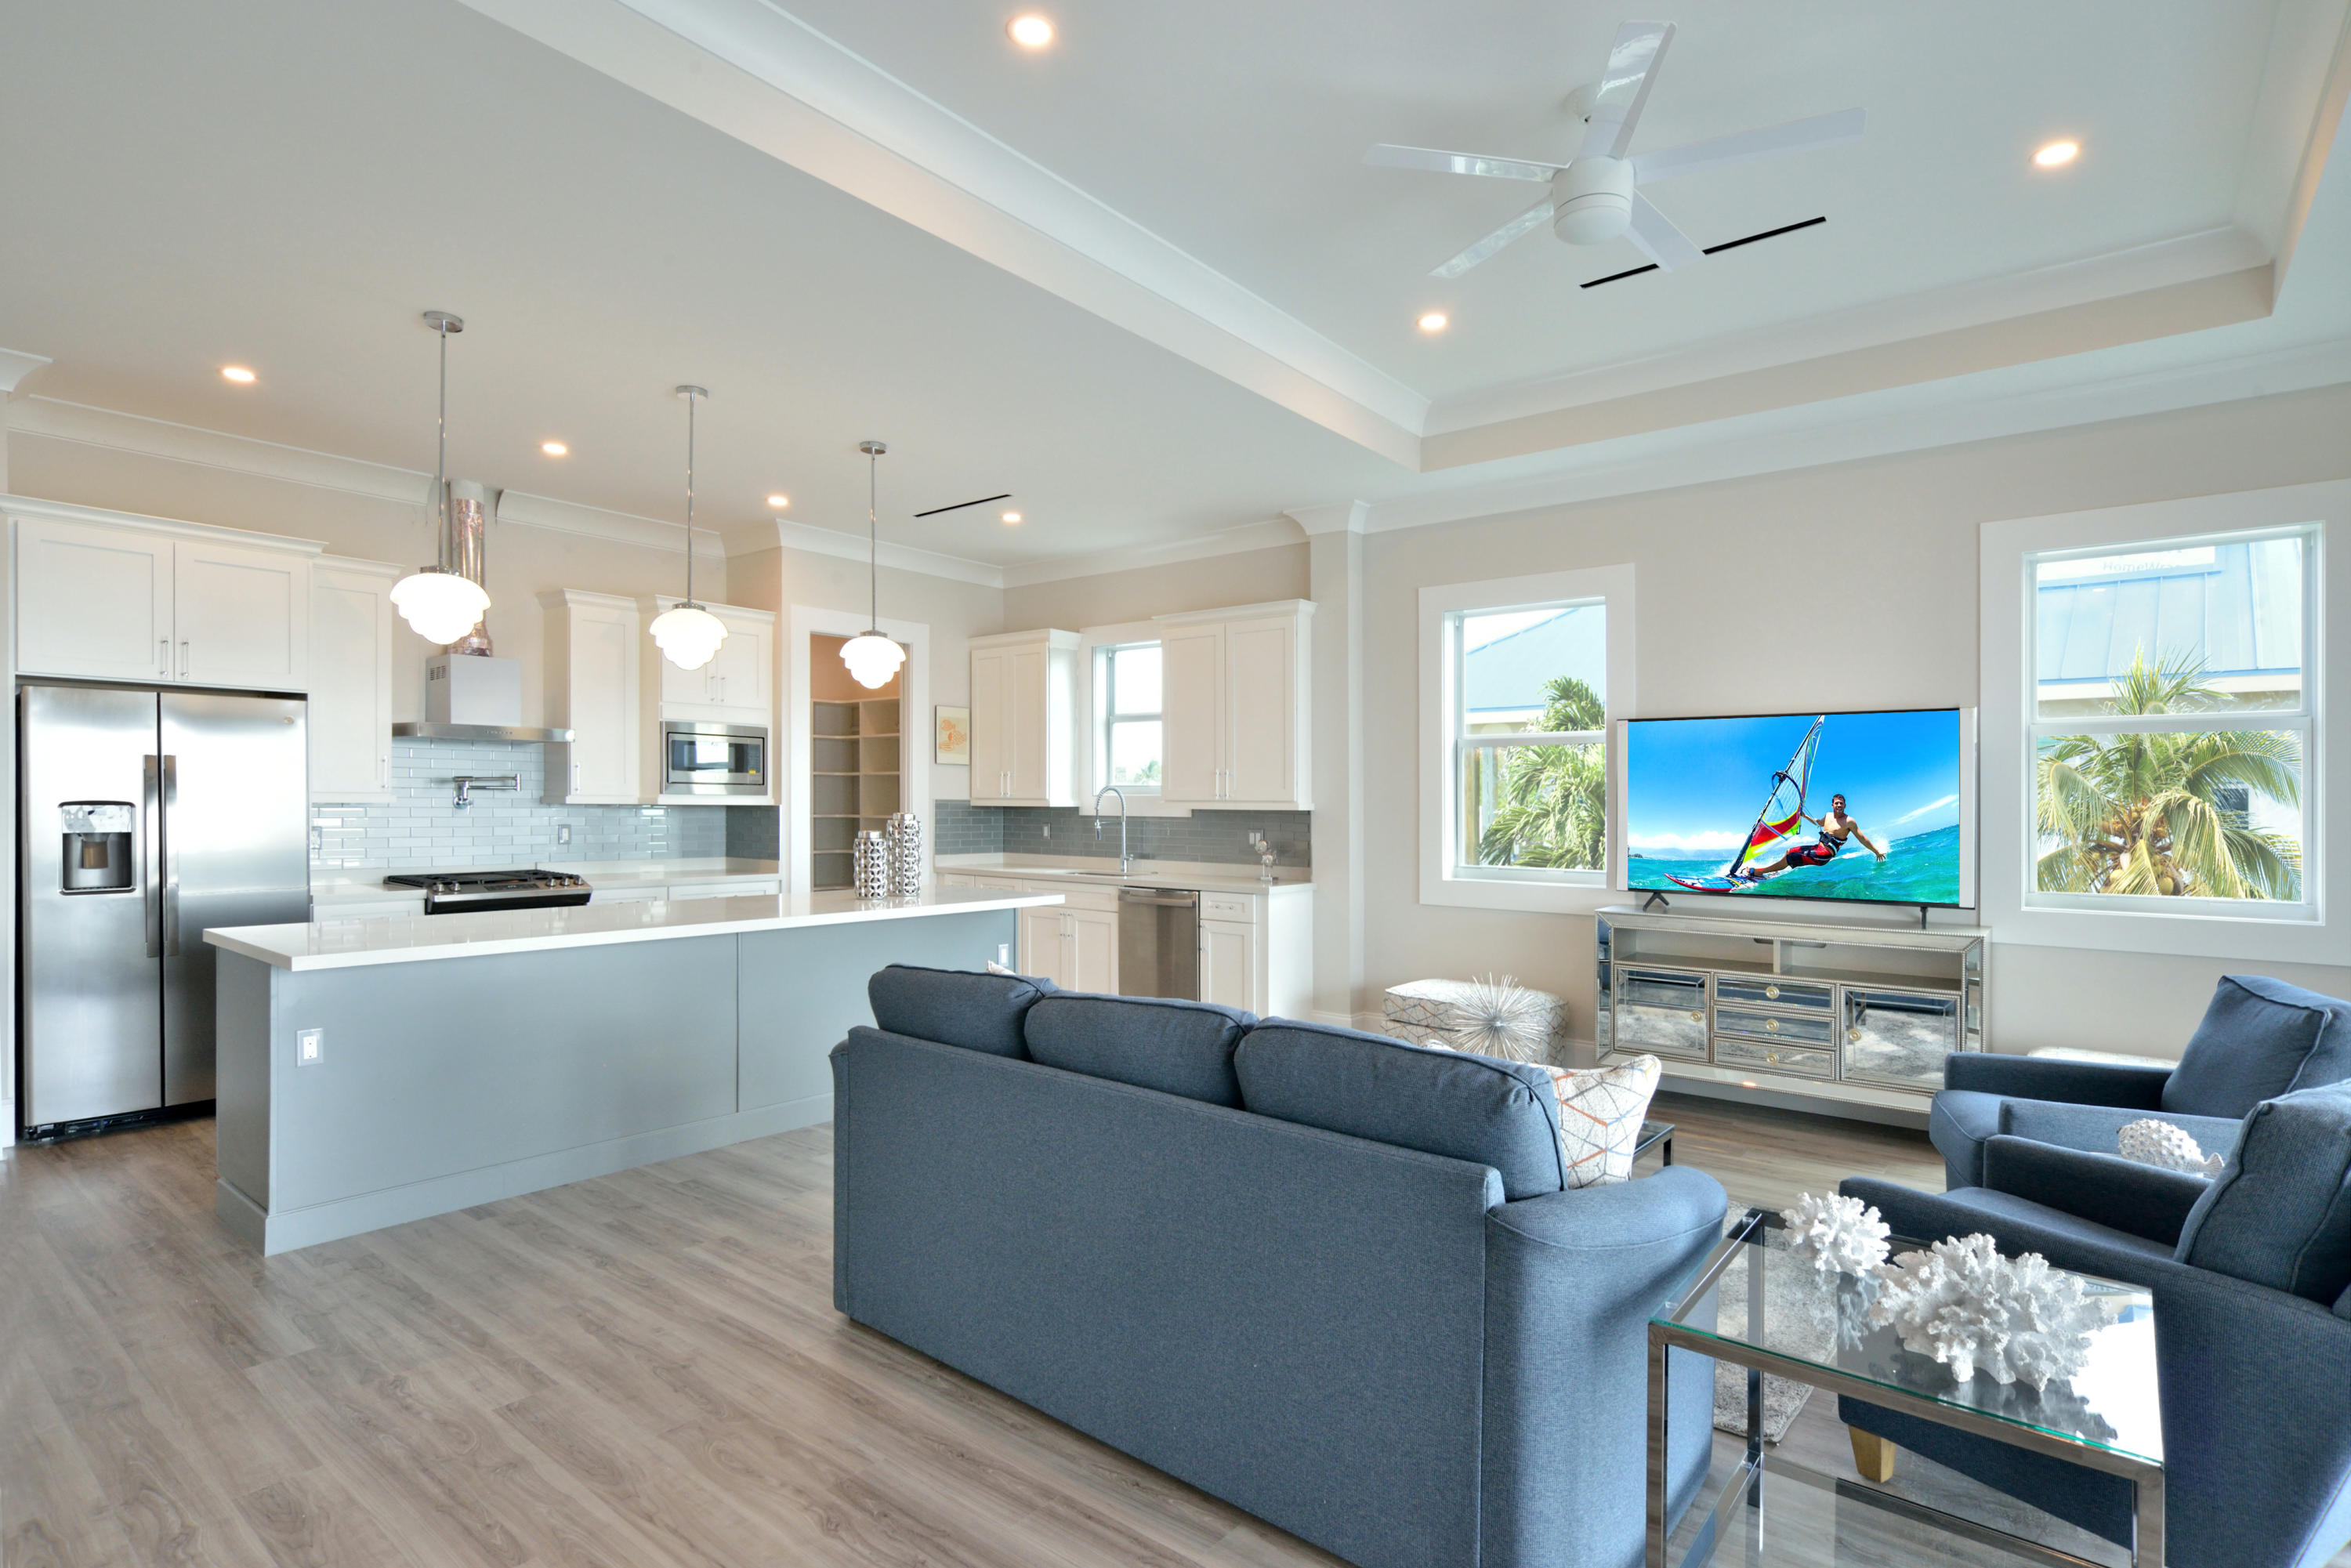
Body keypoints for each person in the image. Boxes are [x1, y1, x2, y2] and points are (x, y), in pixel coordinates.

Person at [1738, 793, 1884, 880]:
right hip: (1817, 849)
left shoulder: (1849, 821)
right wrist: (1805, 816)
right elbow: (1819, 823)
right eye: (1836, 803)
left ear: (1845, 805)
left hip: (1824, 855)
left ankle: (1759, 872)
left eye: (1841, 803)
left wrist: (1876, 852)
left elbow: (1862, 838)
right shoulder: (1828, 816)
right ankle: (1773, 868)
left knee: (1790, 857)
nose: (1839, 805)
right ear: (1832, 805)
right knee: (1790, 852)